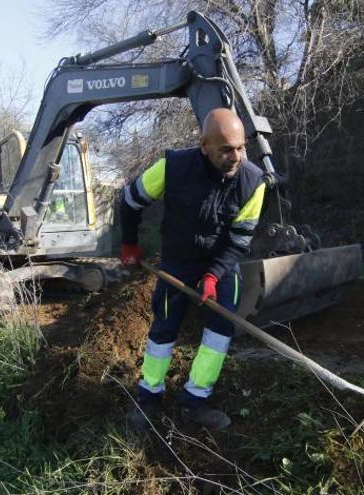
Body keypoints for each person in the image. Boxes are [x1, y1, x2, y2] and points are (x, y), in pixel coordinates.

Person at [119, 108, 266, 430]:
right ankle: (148, 397)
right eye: (226, 149)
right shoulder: (173, 168)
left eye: (241, 147)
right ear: (204, 145)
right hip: (178, 263)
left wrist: (214, 275)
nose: (236, 156)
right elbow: (129, 201)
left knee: (219, 333)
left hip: (223, 265)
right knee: (163, 329)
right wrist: (129, 243)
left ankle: (195, 399)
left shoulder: (253, 182)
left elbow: (239, 241)